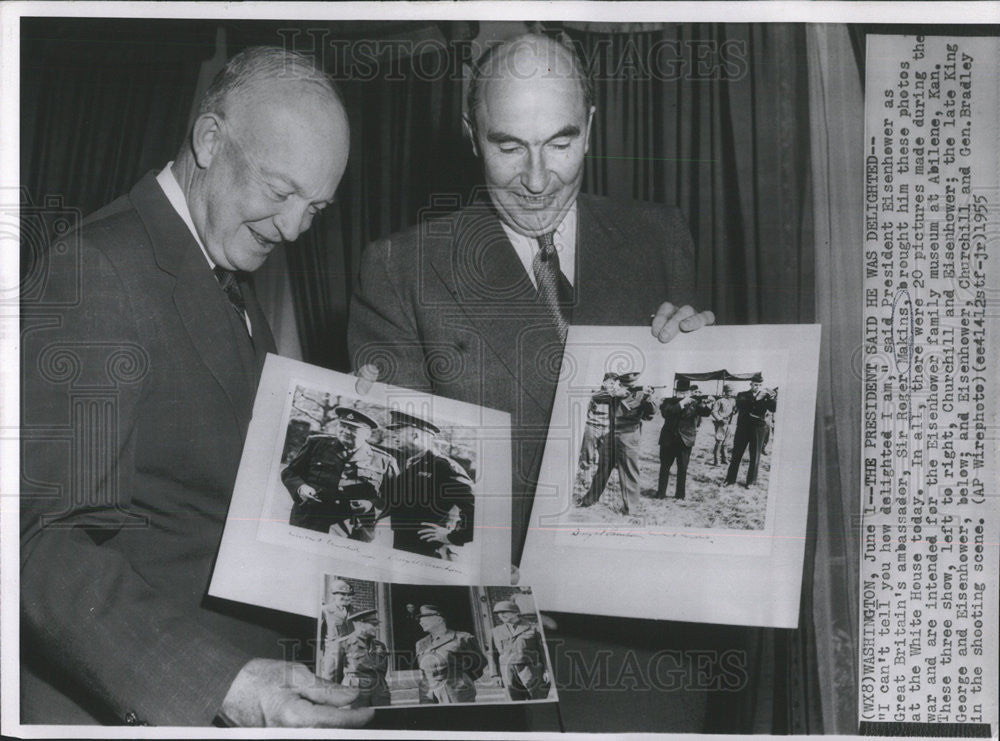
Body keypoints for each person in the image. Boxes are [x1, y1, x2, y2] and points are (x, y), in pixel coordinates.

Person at [347, 32, 714, 733]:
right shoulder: (401, 269)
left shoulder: (660, 239)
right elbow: (401, 517)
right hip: (486, 666)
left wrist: (697, 364)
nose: (538, 178)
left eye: (562, 142)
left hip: (642, 660)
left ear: (593, 125)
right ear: (469, 135)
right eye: (509, 146)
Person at [20, 47, 372, 728]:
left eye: (316, 207)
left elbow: (198, 492)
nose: (296, 228)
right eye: (279, 192)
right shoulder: (100, 271)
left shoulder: (219, 272)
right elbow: (37, 541)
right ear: (210, 140)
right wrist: (228, 682)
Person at [281, 406, 398, 540]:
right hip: (308, 520)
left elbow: (393, 499)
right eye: (342, 425)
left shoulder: (385, 460)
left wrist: (371, 505)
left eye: (353, 428)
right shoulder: (316, 444)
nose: (345, 431)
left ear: (367, 434)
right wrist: (301, 488)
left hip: (352, 530)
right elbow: (290, 472)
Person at [382, 410, 475, 559]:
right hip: (404, 549)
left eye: (398, 431)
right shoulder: (411, 464)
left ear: (416, 435)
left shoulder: (443, 466)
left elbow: (477, 507)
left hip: (431, 553)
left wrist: (453, 537)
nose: (393, 435)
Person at [577, 371, 656, 514]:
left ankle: (631, 509)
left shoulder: (641, 395)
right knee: (603, 469)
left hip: (628, 436)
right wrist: (615, 393)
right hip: (611, 434)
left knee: (629, 472)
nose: (629, 387)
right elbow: (595, 396)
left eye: (632, 385)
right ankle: (589, 500)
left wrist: (648, 399)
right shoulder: (615, 393)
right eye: (626, 385)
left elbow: (649, 415)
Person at [414, 605, 488, 704]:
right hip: (427, 691)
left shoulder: (463, 638)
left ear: (440, 620)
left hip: (456, 689)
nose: (421, 622)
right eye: (420, 620)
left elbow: (478, 664)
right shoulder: (421, 643)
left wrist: (461, 680)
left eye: (425, 619)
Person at [655, 380, 712, 500]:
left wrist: (708, 404)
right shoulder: (668, 401)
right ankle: (661, 493)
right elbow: (666, 413)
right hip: (668, 440)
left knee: (683, 469)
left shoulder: (694, 402)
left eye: (685, 392)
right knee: (664, 467)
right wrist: (681, 403)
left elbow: (705, 413)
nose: (683, 394)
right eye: (680, 392)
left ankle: (680, 495)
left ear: (689, 392)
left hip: (685, 440)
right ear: (676, 392)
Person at [724, 374, 778, 487]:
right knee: (736, 454)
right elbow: (742, 405)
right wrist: (757, 399)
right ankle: (730, 479)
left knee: (755, 456)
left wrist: (772, 398)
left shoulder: (766, 396)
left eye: (759, 385)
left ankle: (751, 482)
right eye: (755, 385)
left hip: (758, 428)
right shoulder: (742, 395)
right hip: (743, 428)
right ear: (751, 384)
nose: (757, 387)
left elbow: (773, 408)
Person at [490, 601, 549, 701]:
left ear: (516, 612)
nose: (501, 615)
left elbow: (544, 651)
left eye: (504, 612)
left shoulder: (533, 628)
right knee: (514, 700)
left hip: (531, 669)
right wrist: (495, 675)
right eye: (498, 613)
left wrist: (547, 671)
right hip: (507, 671)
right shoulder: (495, 631)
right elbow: (492, 654)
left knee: (537, 698)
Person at [576, 373, 625, 484]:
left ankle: (600, 479)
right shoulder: (597, 392)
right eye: (611, 383)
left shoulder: (614, 394)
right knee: (588, 453)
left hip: (607, 428)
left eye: (615, 383)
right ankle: (587, 477)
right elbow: (605, 394)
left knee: (605, 456)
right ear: (604, 382)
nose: (613, 385)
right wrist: (617, 391)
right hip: (592, 426)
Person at [339, 609, 392, 708]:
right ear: (359, 624)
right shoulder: (343, 644)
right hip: (355, 692)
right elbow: (335, 677)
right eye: (373, 624)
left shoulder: (380, 645)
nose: (377, 628)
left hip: (379, 692)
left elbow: (383, 671)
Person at [317, 579, 356, 682]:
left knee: (351, 684)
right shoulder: (325, 611)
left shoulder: (355, 612)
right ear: (334, 595)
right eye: (343, 594)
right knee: (330, 682)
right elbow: (318, 634)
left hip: (351, 655)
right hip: (333, 654)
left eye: (349, 595)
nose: (347, 597)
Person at [710, 384, 736, 466]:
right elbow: (714, 412)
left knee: (726, 442)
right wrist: (720, 419)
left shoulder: (733, 401)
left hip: (730, 423)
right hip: (721, 424)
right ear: (724, 392)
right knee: (719, 441)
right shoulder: (720, 401)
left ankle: (725, 459)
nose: (730, 393)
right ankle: (717, 460)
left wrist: (735, 411)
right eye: (728, 391)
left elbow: (734, 411)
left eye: (731, 391)